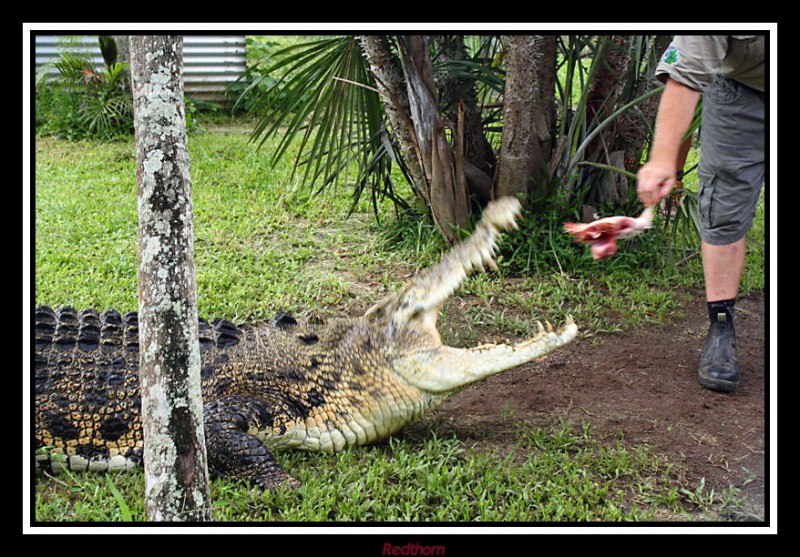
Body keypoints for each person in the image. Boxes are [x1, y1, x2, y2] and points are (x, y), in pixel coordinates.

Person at [636, 36, 765, 393]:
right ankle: (721, 327)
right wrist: (664, 159)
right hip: (741, 90)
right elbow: (687, 74)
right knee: (723, 207)